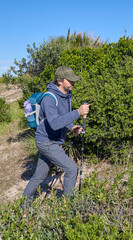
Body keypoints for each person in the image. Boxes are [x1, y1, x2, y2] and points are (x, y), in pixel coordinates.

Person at [22, 65, 90, 202]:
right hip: (46, 142)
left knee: (39, 176)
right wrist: (78, 112)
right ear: (59, 81)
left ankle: (24, 203)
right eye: (70, 80)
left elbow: (62, 117)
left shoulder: (67, 95)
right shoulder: (49, 99)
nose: (73, 82)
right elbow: (54, 123)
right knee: (71, 169)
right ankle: (69, 206)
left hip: (51, 141)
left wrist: (72, 128)